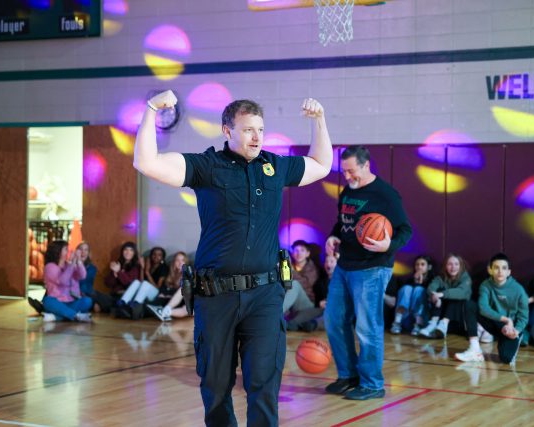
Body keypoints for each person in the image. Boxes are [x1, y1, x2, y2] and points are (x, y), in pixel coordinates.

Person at [134, 90, 333, 426]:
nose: (256, 136)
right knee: (215, 385)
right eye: (247, 129)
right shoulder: (206, 166)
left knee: (264, 385)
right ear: (227, 131)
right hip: (216, 297)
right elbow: (146, 162)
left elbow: (322, 165)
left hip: (265, 296)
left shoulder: (275, 166)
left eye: (260, 129)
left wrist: (320, 121)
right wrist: (152, 110)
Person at [324, 145, 412, 401]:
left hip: (373, 268)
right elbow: (343, 222)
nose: (348, 177)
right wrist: (333, 235)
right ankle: (348, 375)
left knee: (367, 327)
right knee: (334, 320)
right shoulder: (347, 190)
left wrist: (389, 244)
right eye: (344, 172)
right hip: (345, 265)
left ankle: (373, 384)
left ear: (366, 165)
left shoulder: (385, 194)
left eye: (352, 171)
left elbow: (405, 230)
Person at [455, 253, 528, 364]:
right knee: (470, 305)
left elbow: (524, 316)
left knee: (506, 359)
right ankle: (475, 350)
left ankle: (517, 339)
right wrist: (506, 319)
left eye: (504, 268)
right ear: (490, 270)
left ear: (509, 272)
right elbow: (483, 308)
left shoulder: (518, 290)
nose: (500, 271)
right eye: (496, 267)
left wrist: (516, 330)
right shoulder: (486, 285)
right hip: (497, 322)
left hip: (511, 328)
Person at [419, 253, 472, 339]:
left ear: (461, 266)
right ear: (445, 266)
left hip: (458, 318)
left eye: (456, 264)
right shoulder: (441, 277)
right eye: (450, 264)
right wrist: (435, 297)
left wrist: (442, 294)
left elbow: (462, 292)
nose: (453, 267)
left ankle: (444, 323)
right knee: (438, 292)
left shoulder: (465, 277)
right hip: (441, 313)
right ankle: (433, 323)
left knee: (455, 296)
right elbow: (431, 288)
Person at [41, 240, 92, 322]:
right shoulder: (49, 267)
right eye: (65, 249)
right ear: (58, 251)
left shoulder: (67, 265)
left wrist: (78, 261)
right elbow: (63, 281)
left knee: (87, 301)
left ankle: (56, 317)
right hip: (56, 302)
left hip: (70, 302)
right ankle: (76, 316)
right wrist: (72, 263)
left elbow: (82, 276)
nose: (68, 251)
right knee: (47, 301)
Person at [390, 255, 435, 335]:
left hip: (422, 319)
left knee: (419, 290)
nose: (419, 267)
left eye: (422, 264)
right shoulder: (409, 280)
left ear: (429, 267)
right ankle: (397, 322)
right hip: (406, 318)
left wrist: (421, 283)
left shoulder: (433, 280)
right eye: (417, 264)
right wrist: (415, 282)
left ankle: (418, 325)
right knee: (406, 288)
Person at [147, 251, 191, 321]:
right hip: (171, 301)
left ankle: (165, 311)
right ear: (174, 263)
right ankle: (165, 312)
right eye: (177, 260)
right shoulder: (170, 275)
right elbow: (163, 289)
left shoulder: (189, 273)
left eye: (182, 260)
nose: (180, 263)